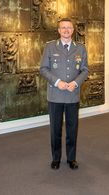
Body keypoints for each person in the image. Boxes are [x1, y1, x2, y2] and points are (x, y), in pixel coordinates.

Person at [40, 18, 88, 170]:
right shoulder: (49, 47)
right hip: (55, 95)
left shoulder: (80, 48)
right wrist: (57, 82)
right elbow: (43, 69)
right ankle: (56, 158)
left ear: (73, 30)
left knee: (72, 129)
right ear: (59, 30)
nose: (66, 30)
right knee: (55, 130)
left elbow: (85, 70)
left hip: (72, 94)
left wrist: (75, 83)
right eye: (63, 28)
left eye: (69, 28)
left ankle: (71, 159)